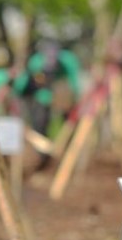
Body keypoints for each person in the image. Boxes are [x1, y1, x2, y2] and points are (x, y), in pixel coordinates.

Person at [13, 38, 81, 167]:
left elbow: (74, 82)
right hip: (43, 94)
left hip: (63, 93)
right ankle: (42, 158)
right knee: (39, 124)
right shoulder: (36, 62)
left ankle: (68, 156)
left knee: (70, 124)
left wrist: (73, 100)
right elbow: (29, 83)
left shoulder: (68, 61)